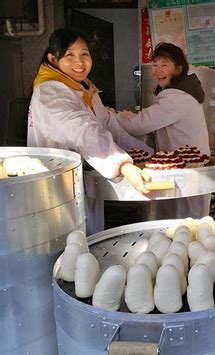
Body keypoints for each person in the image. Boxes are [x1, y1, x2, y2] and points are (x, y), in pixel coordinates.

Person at [27, 27, 153, 233]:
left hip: (83, 182)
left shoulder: (83, 89)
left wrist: (151, 157)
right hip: (57, 187)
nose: (80, 62)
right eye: (70, 55)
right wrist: (122, 164)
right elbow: (83, 130)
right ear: (53, 59)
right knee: (68, 245)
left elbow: (112, 129)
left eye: (84, 54)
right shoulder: (50, 91)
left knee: (89, 243)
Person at [116, 42, 210, 219]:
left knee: (187, 223)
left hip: (187, 167)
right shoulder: (180, 92)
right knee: (190, 221)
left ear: (179, 69)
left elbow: (139, 125)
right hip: (187, 165)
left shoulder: (176, 97)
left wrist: (115, 117)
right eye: (155, 65)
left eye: (164, 65)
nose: (158, 70)